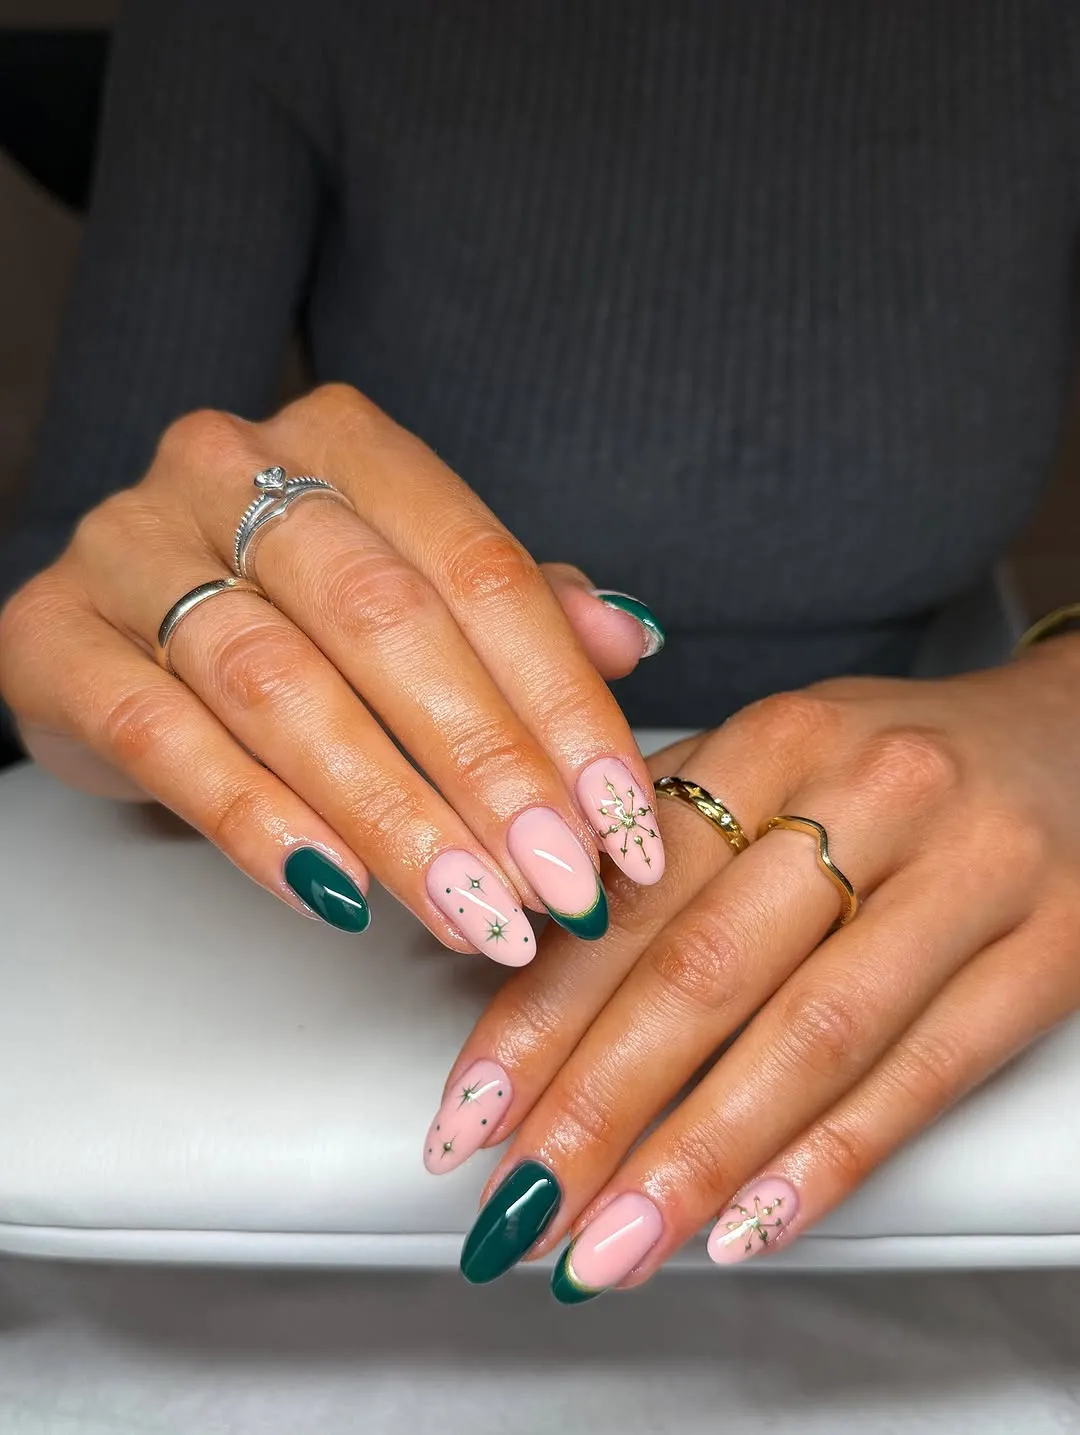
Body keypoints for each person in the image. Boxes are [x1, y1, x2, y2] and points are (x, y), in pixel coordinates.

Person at [3, 0, 1080, 1309]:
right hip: (377, 852)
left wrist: (1064, 712)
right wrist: (119, 666)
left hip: (976, 804)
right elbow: (81, 554)